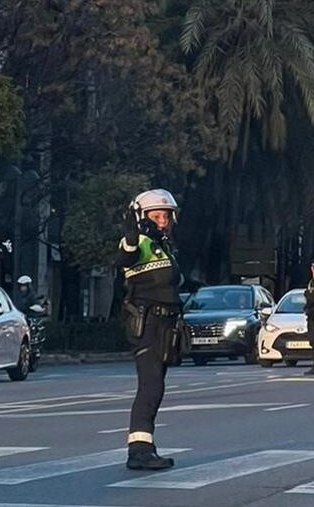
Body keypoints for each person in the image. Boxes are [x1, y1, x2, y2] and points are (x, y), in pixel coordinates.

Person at [117, 189, 183, 471]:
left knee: (156, 386)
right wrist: (132, 235)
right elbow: (124, 258)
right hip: (146, 323)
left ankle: (145, 447)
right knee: (151, 385)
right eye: (156, 216)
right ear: (141, 218)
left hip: (165, 325)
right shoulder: (139, 241)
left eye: (166, 216)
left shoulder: (164, 246)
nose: (162, 221)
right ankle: (138, 452)